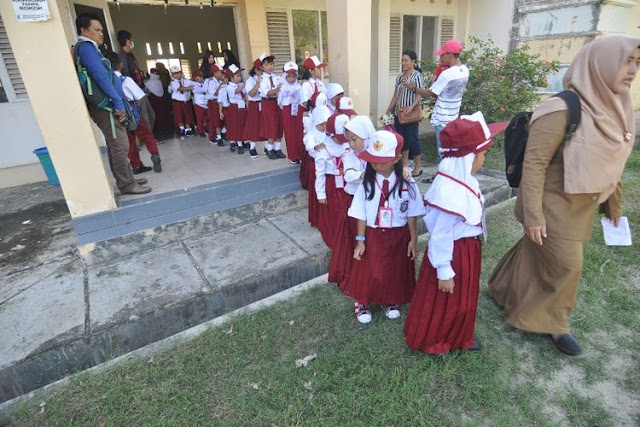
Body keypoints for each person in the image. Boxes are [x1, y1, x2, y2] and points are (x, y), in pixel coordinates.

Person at [487, 35, 640, 357]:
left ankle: (501, 289)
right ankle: (555, 324)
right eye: (627, 61)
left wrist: (613, 202)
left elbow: (615, 159)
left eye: (637, 63)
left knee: (533, 250)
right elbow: (534, 165)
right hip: (552, 202)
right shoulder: (560, 108)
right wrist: (533, 216)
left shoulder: (617, 105)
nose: (632, 70)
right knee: (567, 266)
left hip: (582, 204)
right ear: (601, 63)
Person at [404, 112, 507, 356]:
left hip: (467, 251)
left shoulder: (463, 180)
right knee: (444, 299)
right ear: (467, 157)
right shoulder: (448, 190)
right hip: (452, 255)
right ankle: (435, 342)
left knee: (463, 297)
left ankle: (460, 336)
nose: (484, 157)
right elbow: (440, 235)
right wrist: (444, 270)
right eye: (482, 154)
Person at [341, 130, 424, 324]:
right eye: (373, 160)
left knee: (393, 269)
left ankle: (390, 299)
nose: (376, 165)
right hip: (373, 234)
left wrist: (413, 240)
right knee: (370, 269)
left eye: (382, 160)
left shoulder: (407, 183)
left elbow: (412, 213)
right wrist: (360, 241)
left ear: (396, 158)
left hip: (398, 234)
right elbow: (361, 214)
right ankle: (362, 301)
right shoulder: (366, 184)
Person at [73, 13, 150, 195]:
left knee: (114, 144)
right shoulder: (86, 48)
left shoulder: (89, 48)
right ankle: (126, 184)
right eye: (97, 30)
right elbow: (101, 76)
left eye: (101, 30)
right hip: (106, 106)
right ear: (84, 30)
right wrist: (118, 102)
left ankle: (125, 179)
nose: (101, 33)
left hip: (105, 104)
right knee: (120, 145)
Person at [328, 115, 375, 286]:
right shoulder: (349, 154)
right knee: (353, 236)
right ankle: (351, 271)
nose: (351, 144)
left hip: (371, 202)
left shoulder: (376, 153)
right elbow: (348, 175)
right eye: (349, 140)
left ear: (367, 136)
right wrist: (363, 175)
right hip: (353, 201)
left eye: (355, 139)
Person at [408, 40, 469, 163]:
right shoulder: (465, 70)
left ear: (450, 55)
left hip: (442, 120)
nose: (440, 57)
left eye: (442, 54)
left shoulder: (447, 74)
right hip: (453, 118)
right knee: (450, 154)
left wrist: (414, 88)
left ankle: (444, 179)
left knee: (443, 155)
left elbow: (431, 93)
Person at [108, 52, 162, 175]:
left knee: (129, 141)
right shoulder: (125, 80)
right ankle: (154, 154)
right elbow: (139, 97)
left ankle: (136, 166)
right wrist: (135, 110)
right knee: (146, 135)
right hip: (132, 112)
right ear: (121, 65)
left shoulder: (107, 82)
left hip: (118, 114)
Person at [386, 49, 425, 178]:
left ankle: (418, 166)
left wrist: (411, 106)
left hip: (411, 114)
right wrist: (389, 109)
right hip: (400, 114)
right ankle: (405, 164)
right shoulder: (400, 77)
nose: (403, 63)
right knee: (402, 140)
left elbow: (419, 94)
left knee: (413, 139)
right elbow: (395, 96)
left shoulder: (417, 76)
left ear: (413, 61)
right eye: (402, 60)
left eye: (406, 60)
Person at [315, 113, 350, 249]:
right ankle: (335, 238)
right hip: (331, 185)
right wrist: (321, 194)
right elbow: (320, 174)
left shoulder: (347, 146)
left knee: (346, 211)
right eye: (339, 137)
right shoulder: (323, 151)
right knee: (334, 213)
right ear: (331, 135)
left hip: (346, 183)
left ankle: (346, 237)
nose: (343, 140)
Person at [304, 105, 332, 228]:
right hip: (315, 165)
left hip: (328, 165)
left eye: (326, 123)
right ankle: (317, 219)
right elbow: (308, 143)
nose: (324, 127)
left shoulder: (329, 133)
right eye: (322, 124)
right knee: (318, 190)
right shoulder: (311, 133)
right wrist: (315, 146)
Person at [258, 53, 286, 160]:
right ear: (261, 67)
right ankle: (269, 149)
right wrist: (278, 89)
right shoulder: (261, 79)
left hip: (277, 103)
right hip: (268, 103)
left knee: (279, 126)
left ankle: (278, 149)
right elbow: (267, 93)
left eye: (271, 64)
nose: (269, 67)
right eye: (266, 65)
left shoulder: (277, 77)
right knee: (271, 127)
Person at [278, 61, 303, 164]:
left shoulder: (299, 86)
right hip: (287, 110)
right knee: (290, 133)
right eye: (289, 76)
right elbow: (279, 101)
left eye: (293, 76)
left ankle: (300, 154)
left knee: (299, 132)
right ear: (285, 77)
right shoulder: (283, 87)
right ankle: (292, 155)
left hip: (298, 110)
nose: (291, 79)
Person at [243, 56, 264, 158]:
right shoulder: (250, 81)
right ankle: (252, 148)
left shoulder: (266, 78)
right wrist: (257, 84)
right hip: (254, 104)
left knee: (264, 125)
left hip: (263, 103)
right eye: (261, 69)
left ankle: (268, 147)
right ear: (256, 69)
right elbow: (251, 94)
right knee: (253, 126)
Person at [168, 65, 196, 138]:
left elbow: (194, 84)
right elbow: (179, 89)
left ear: (181, 73)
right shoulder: (173, 83)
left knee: (187, 115)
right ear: (172, 75)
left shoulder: (186, 81)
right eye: (174, 74)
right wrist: (188, 88)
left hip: (186, 101)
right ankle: (181, 129)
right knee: (179, 116)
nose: (176, 75)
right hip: (177, 102)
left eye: (178, 73)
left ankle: (188, 129)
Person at [225, 64, 247, 154]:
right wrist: (245, 85)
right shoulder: (229, 87)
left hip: (242, 107)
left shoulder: (240, 84)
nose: (239, 78)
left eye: (240, 76)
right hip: (234, 108)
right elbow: (237, 91)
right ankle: (239, 144)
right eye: (237, 76)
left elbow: (245, 94)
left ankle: (242, 141)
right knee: (236, 126)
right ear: (231, 77)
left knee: (242, 125)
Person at [145, 68, 172, 139]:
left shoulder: (151, 82)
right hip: (155, 102)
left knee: (161, 114)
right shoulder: (150, 82)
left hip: (156, 101)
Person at [206, 64, 225, 146]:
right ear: (215, 73)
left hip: (221, 102)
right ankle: (218, 137)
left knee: (222, 120)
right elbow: (215, 94)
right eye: (220, 72)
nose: (222, 74)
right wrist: (221, 85)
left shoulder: (221, 81)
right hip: (214, 102)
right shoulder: (211, 82)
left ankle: (223, 134)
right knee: (216, 120)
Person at [192, 70, 209, 137]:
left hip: (206, 103)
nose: (202, 78)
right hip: (199, 104)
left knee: (208, 117)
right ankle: (200, 130)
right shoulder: (194, 84)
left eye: (202, 77)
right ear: (195, 78)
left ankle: (208, 128)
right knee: (200, 119)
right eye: (199, 77)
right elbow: (202, 90)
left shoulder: (205, 82)